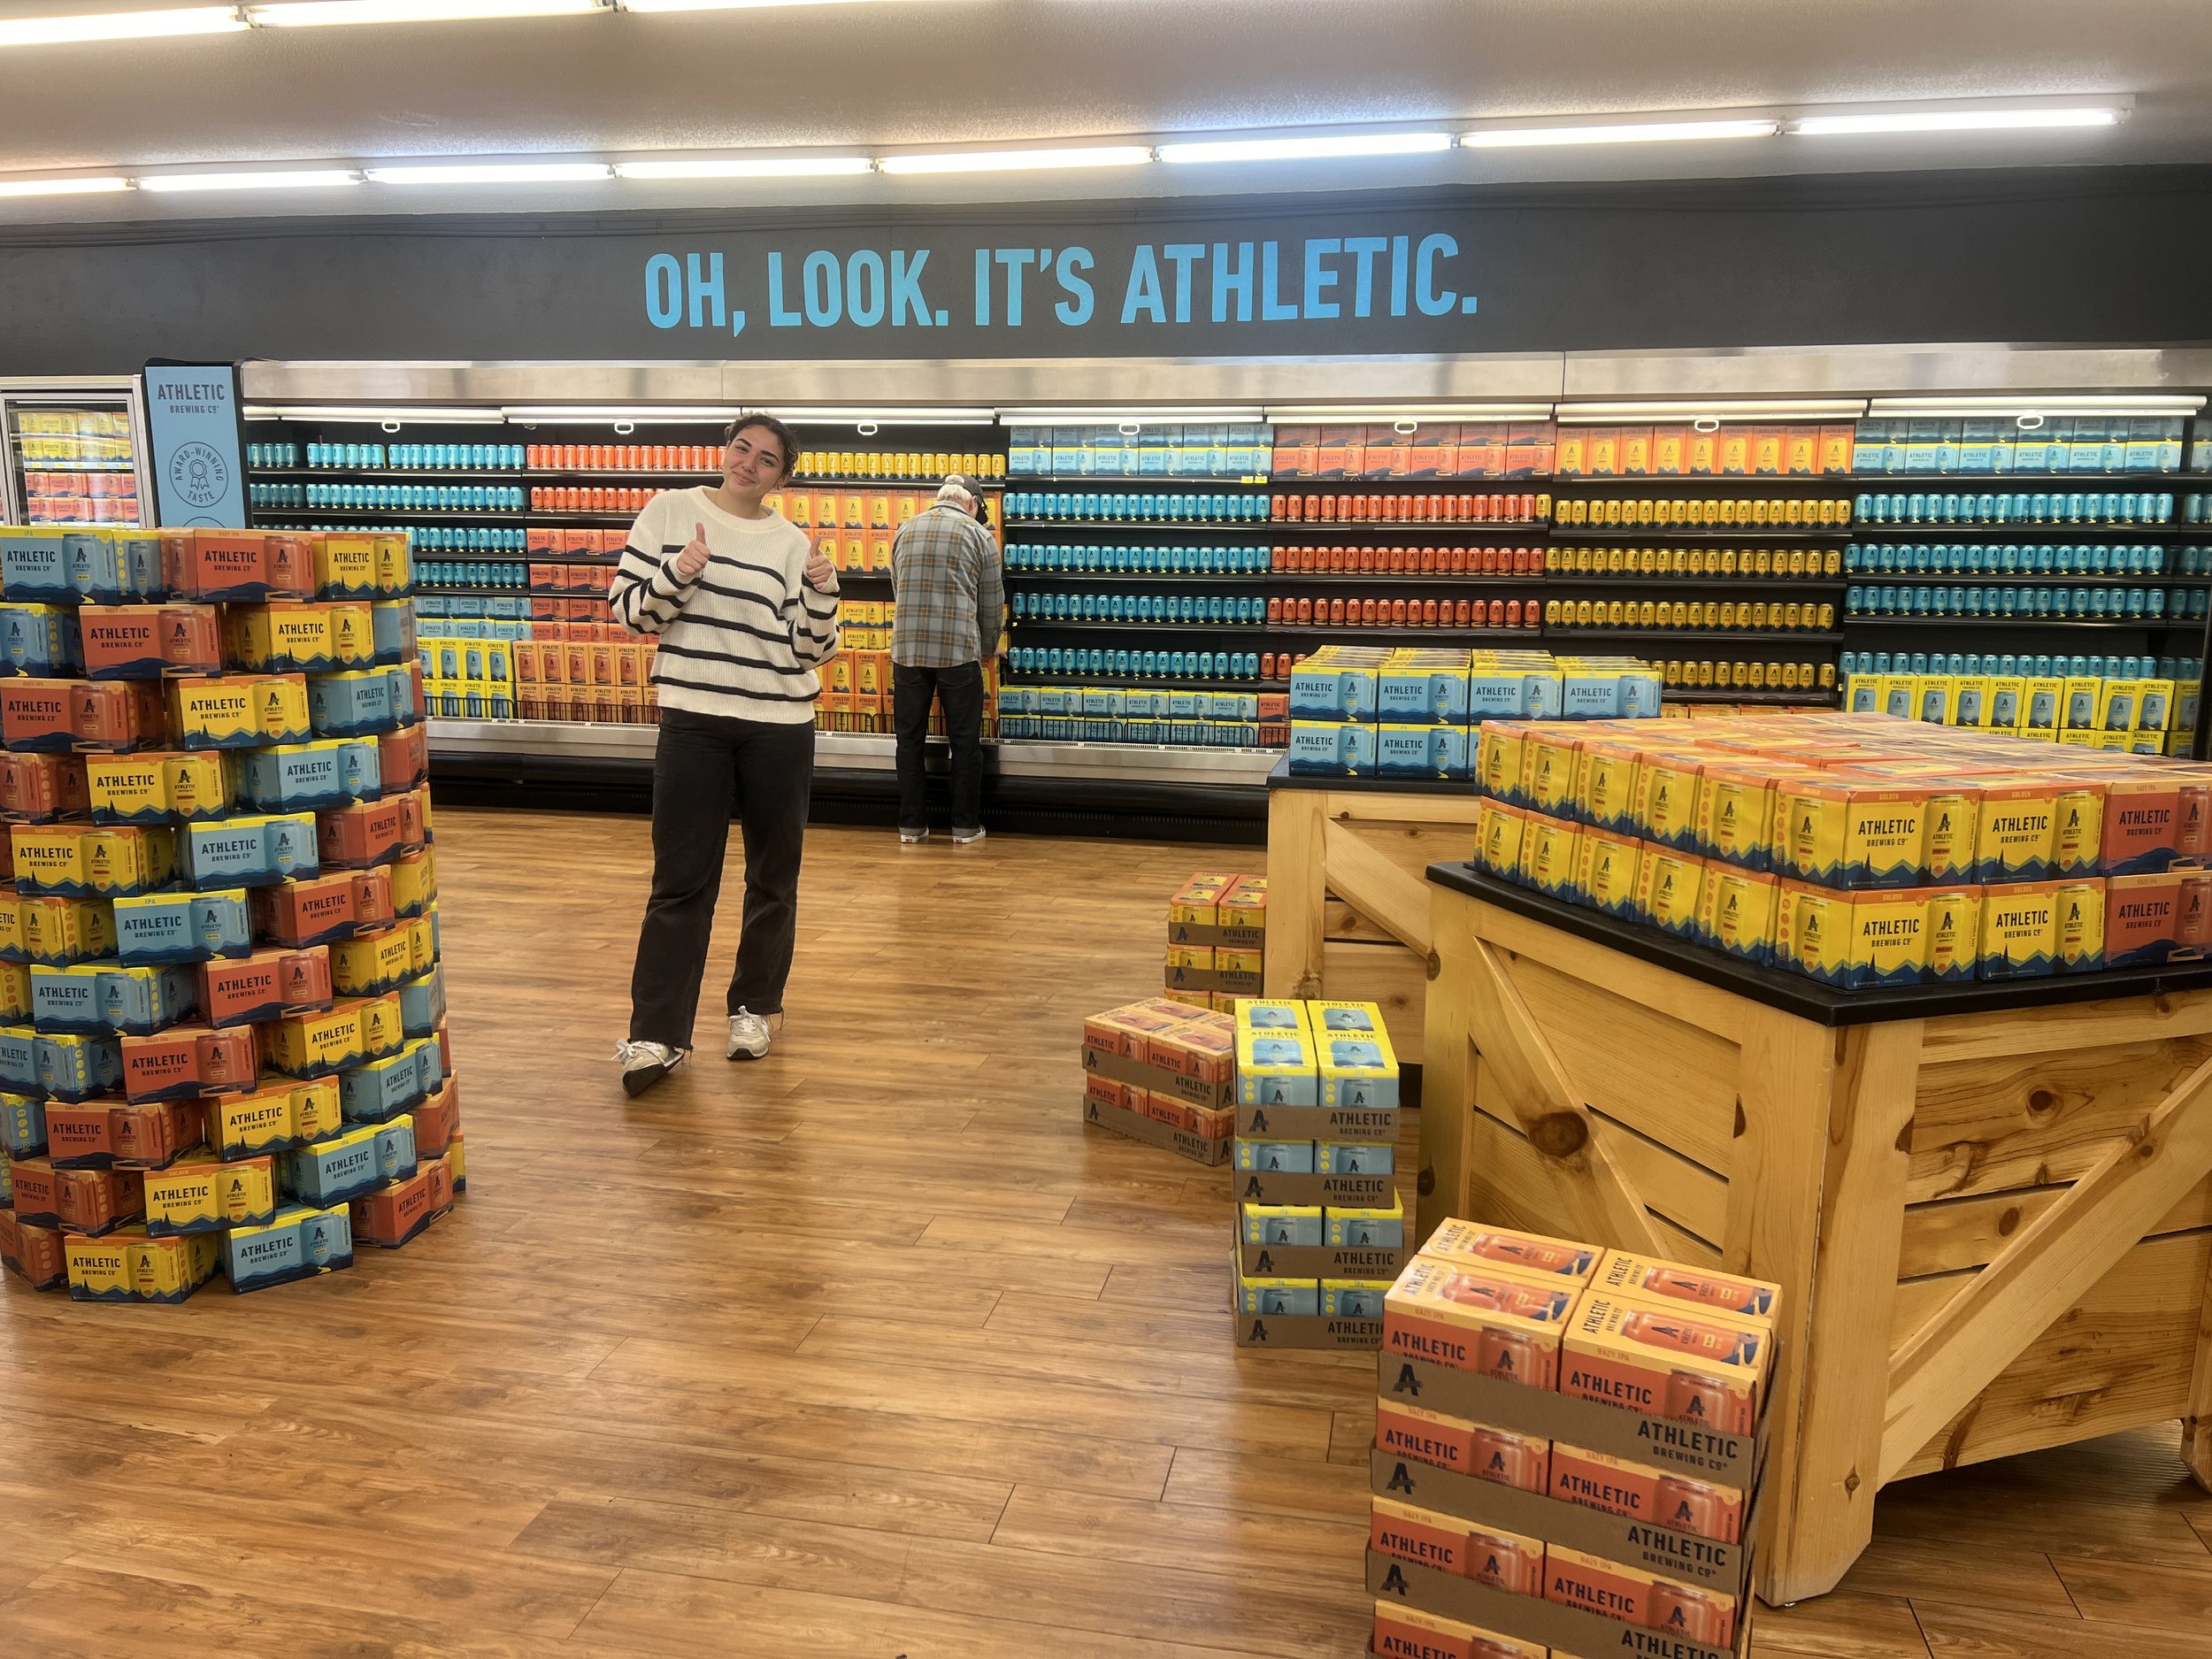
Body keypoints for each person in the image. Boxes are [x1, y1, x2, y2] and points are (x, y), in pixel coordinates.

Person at [608, 412, 839, 1097]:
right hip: (694, 721)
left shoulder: (793, 543)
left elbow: (811, 650)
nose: (749, 463)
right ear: (726, 450)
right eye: (743, 447)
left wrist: (824, 597)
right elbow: (630, 613)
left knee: (774, 875)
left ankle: (755, 1007)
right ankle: (657, 1033)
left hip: (780, 721)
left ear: (782, 477)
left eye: (767, 459)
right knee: (680, 879)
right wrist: (680, 572)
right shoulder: (669, 511)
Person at [888, 474, 1003, 844]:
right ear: (971, 503)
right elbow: (990, 603)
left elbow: (897, 587)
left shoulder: (904, 530)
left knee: (908, 740)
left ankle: (911, 827)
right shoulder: (980, 536)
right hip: (958, 652)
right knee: (965, 740)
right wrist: (987, 649)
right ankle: (964, 827)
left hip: (907, 653)